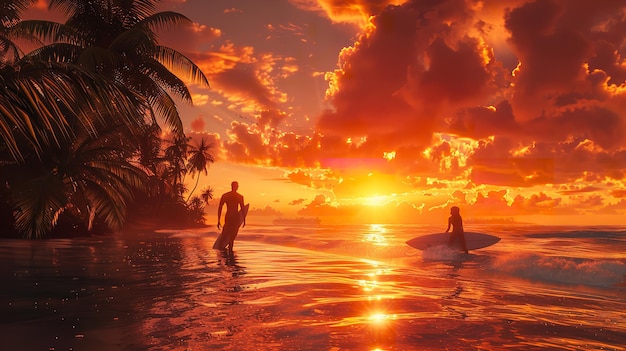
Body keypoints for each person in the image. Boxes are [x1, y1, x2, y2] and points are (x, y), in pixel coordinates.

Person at [214, 181, 245, 253]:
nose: (237, 187)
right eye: (237, 186)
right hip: (235, 217)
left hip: (228, 217)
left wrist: (218, 220)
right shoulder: (240, 197)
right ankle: (230, 256)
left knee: (224, 235)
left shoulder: (225, 195)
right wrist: (244, 219)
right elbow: (243, 209)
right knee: (231, 238)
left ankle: (220, 257)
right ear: (236, 187)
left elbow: (220, 208)